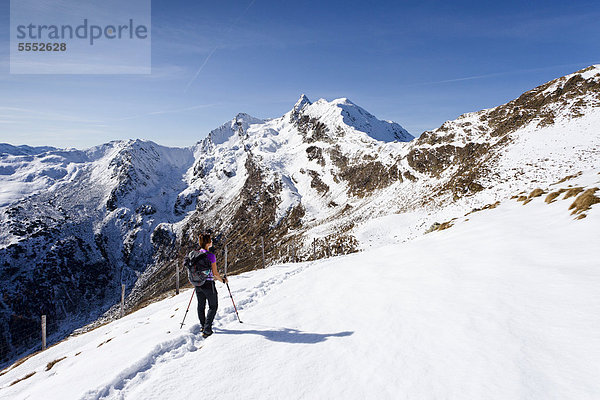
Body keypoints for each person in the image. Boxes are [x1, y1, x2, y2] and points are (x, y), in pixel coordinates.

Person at [195, 233, 227, 338]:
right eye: (211, 240)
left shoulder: (195, 254)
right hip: (208, 284)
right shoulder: (210, 256)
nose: (212, 242)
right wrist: (222, 280)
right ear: (208, 243)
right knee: (213, 306)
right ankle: (207, 329)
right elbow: (215, 274)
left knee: (201, 306)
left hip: (198, 284)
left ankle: (203, 326)